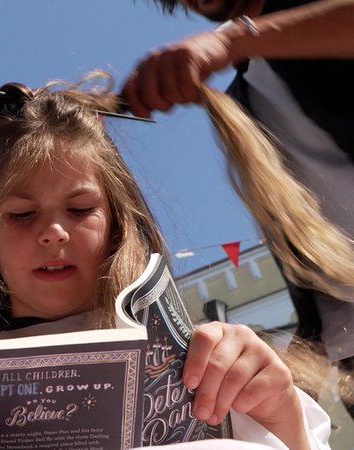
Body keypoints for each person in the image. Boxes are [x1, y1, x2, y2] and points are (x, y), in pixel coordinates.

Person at [0, 73, 331, 450]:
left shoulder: (210, 366)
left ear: (117, 224)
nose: (53, 232)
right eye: (22, 215)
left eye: (80, 208)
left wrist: (282, 413)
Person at [121, 0, 354, 414]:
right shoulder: (244, 101)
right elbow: (309, 252)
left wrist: (231, 39)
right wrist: (298, 372)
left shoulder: (319, 16)